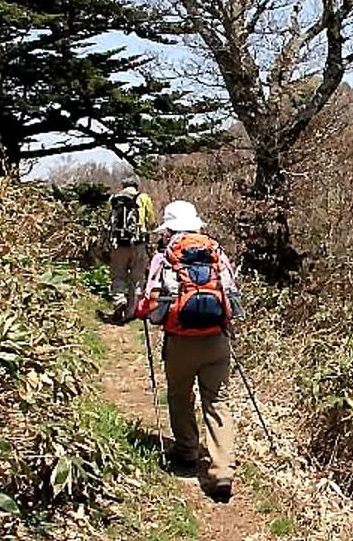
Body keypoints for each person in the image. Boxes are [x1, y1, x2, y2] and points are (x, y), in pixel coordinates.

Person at [132, 200, 244, 504]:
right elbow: (232, 295)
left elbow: (149, 303)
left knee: (180, 396)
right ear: (197, 225)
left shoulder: (164, 257)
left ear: (168, 229)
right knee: (218, 401)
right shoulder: (217, 252)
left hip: (180, 340)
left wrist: (142, 311)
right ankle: (222, 470)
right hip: (217, 340)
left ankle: (186, 450)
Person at [105, 174, 156, 322]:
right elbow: (151, 220)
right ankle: (131, 312)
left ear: (122, 185)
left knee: (118, 274)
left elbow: (108, 220)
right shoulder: (144, 198)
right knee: (137, 277)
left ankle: (119, 299)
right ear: (137, 185)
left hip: (118, 244)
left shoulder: (114, 199)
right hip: (138, 244)